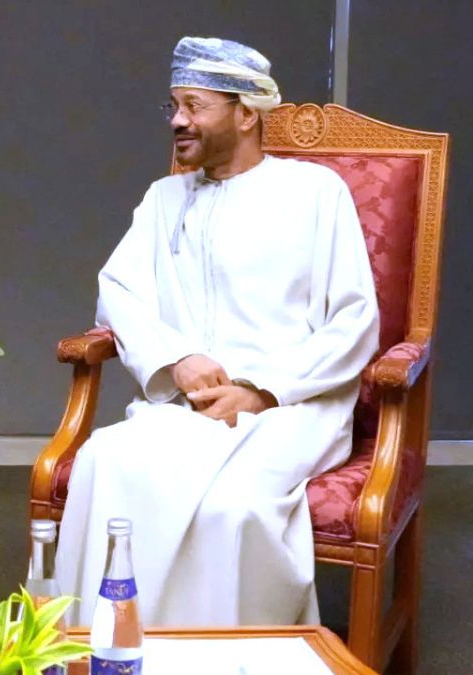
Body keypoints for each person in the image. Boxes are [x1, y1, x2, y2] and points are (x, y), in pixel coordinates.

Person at [54, 37, 379, 625]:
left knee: (234, 509)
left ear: (246, 113)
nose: (178, 120)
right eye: (174, 105)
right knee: (104, 460)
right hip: (187, 405)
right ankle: (110, 649)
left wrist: (259, 389)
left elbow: (355, 320)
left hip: (292, 405)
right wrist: (176, 358)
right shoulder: (163, 198)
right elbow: (118, 290)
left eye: (194, 106)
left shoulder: (315, 194)